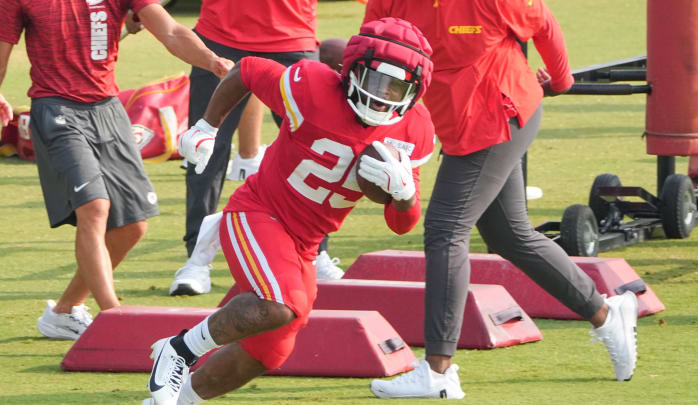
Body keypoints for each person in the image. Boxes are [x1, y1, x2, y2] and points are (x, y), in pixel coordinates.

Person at [142, 17, 435, 405]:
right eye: (375, 81)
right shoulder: (313, 88)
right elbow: (246, 70)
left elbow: (403, 224)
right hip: (259, 212)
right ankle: (179, 349)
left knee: (271, 350)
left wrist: (404, 194)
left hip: (305, 244)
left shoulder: (413, 131)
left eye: (396, 87)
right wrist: (206, 126)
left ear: (414, 91)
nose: (383, 97)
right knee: (283, 305)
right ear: (351, 69)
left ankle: (180, 401)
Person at [363, 0, 639, 399]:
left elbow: (543, 21)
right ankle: (606, 312)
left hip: (501, 115)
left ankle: (438, 371)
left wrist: (561, 82)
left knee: (445, 231)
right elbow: (374, 47)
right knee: (509, 234)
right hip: (459, 125)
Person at [0, 0, 234, 340]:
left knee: (132, 226)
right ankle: (114, 317)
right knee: (95, 208)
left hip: (108, 110)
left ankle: (64, 311)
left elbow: (170, 30)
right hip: (56, 109)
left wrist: (211, 60)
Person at [171, 36, 349, 296]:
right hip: (222, 32)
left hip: (292, 36)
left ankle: (318, 253)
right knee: (205, 151)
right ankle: (196, 261)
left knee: (321, 146)